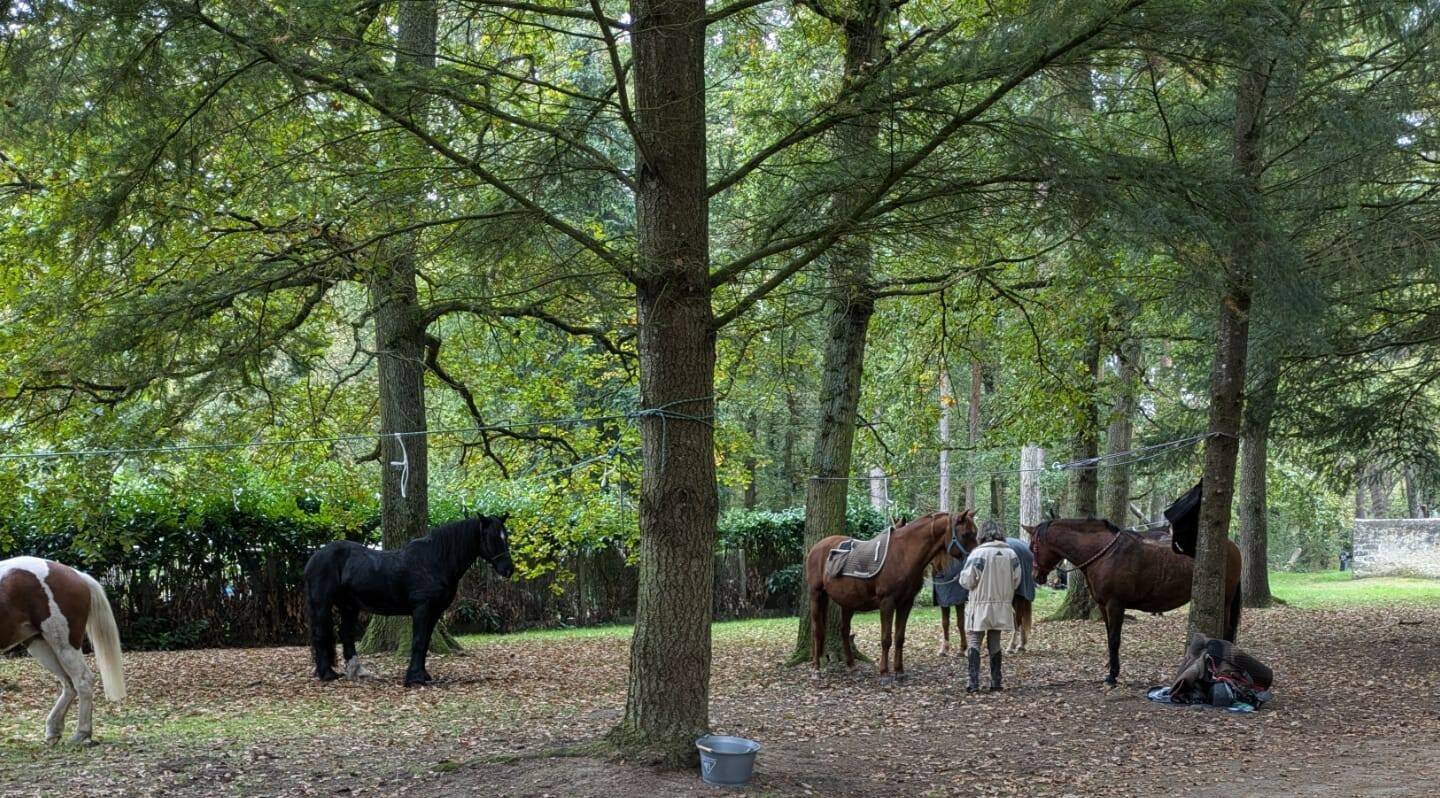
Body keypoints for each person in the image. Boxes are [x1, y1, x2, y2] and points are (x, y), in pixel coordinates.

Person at [959, 519, 1021, 693]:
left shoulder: (978, 554)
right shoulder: (1012, 554)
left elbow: (968, 580)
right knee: (995, 642)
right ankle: (996, 681)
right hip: (1002, 606)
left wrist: (962, 576)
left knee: (974, 641)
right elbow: (1017, 580)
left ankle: (973, 682)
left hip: (979, 606)